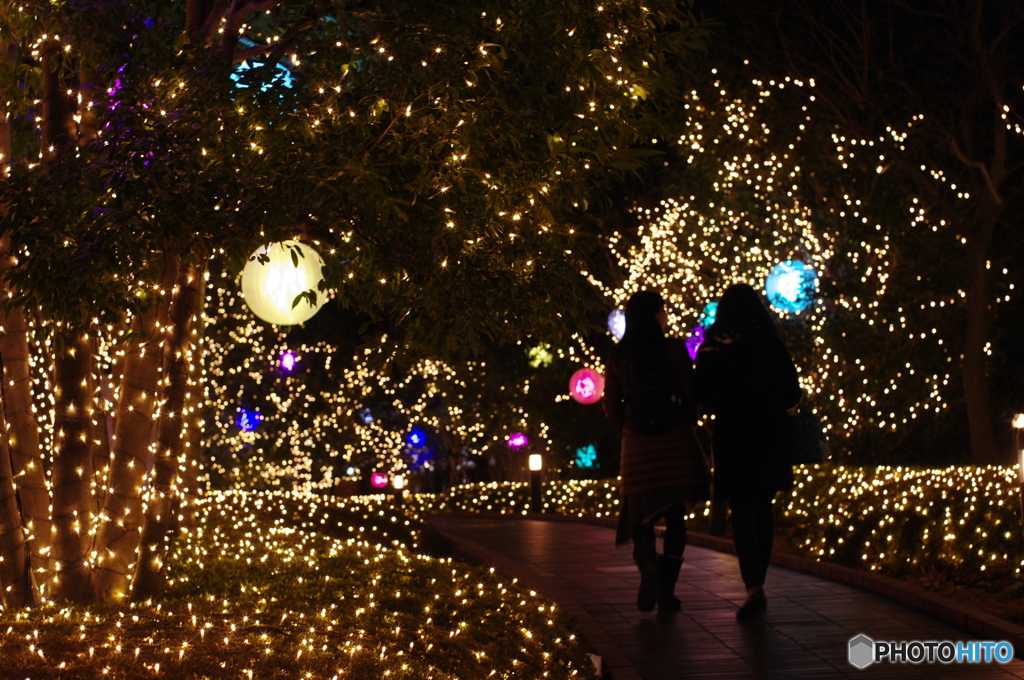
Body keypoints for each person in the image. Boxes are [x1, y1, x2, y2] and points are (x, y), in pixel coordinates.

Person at [693, 283, 801, 619]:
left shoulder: (714, 345)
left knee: (741, 508)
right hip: (769, 432)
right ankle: (759, 582)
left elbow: (703, 394)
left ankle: (753, 584)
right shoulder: (770, 341)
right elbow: (792, 391)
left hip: (734, 432)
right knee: (763, 507)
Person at [603, 291, 711, 612]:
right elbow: (690, 394)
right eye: (662, 311)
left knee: (640, 516)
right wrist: (683, 418)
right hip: (675, 443)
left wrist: (627, 429)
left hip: (637, 448)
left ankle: (648, 564)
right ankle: (667, 590)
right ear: (654, 315)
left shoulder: (619, 355)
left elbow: (611, 404)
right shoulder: (674, 349)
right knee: (677, 516)